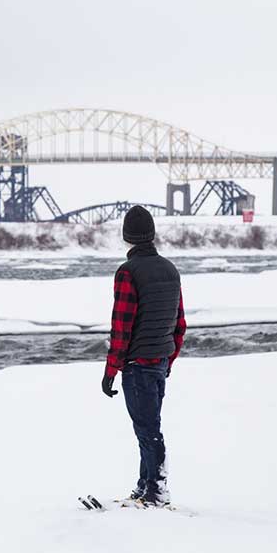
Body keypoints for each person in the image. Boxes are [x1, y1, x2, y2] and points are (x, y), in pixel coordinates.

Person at [101, 205, 186, 507]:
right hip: (159, 361)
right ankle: (145, 486)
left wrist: (111, 370)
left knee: (148, 430)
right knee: (148, 426)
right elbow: (179, 324)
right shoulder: (170, 269)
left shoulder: (128, 273)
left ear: (127, 237)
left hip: (138, 365)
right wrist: (168, 360)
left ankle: (156, 491)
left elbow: (121, 327)